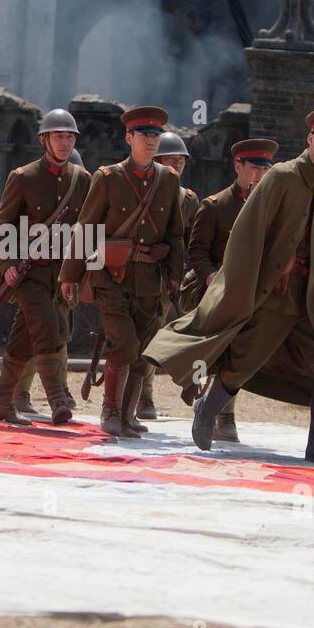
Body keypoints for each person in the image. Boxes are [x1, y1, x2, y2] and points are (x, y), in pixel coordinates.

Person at [145, 108, 314, 464]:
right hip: (273, 291)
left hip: (312, 297)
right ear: (311, 140)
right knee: (245, 359)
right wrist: (240, 287)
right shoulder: (281, 177)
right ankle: (208, 409)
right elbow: (247, 233)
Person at [58, 105, 184, 437]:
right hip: (110, 276)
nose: (151, 142)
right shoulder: (108, 177)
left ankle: (127, 416)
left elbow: (174, 233)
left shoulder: (168, 180)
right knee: (124, 343)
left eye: (156, 136)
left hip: (149, 279)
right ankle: (110, 412)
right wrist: (70, 275)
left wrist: (174, 275)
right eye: (144, 135)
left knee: (143, 351)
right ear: (129, 137)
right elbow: (85, 228)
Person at [0, 109, 89, 424]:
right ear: (44, 139)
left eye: (69, 137)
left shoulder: (81, 179)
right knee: (48, 328)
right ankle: (58, 400)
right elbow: (2, 223)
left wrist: (85, 271)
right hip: (28, 272)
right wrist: (6, 262)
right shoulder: (23, 177)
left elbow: (88, 226)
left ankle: (2, 403)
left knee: (25, 337)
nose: (64, 142)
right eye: (58, 136)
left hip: (60, 274)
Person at [177, 138, 278, 442]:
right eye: (254, 168)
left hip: (252, 294)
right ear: (238, 166)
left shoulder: (271, 207)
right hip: (215, 293)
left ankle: (221, 412)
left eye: (265, 168)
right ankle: (218, 410)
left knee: (238, 354)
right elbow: (197, 251)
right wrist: (211, 280)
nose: (260, 174)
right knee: (219, 352)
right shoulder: (216, 205)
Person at [135, 130, 200, 420]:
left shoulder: (188, 199)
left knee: (153, 336)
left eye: (181, 161)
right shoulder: (140, 189)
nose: (177, 165)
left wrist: (186, 275)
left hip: (165, 280)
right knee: (129, 337)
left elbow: (191, 243)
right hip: (134, 272)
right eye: (170, 160)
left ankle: (144, 396)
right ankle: (124, 397)